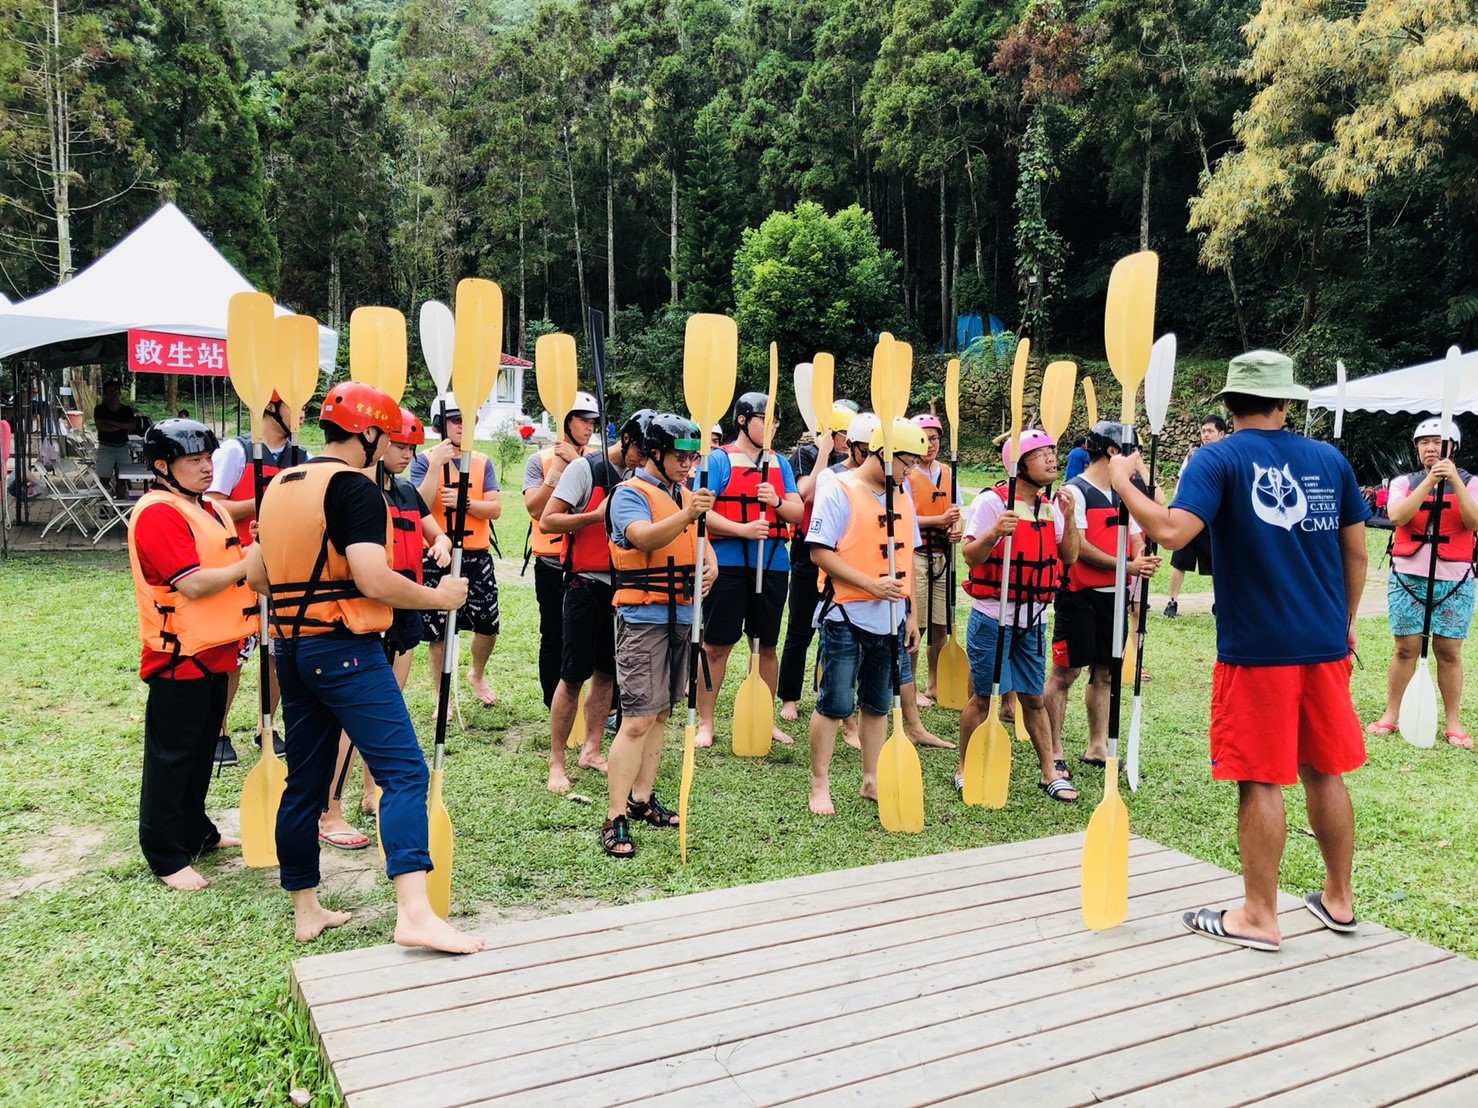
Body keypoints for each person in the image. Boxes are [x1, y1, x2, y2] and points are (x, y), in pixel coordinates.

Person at [1108, 349, 1369, 951]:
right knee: (1322, 770)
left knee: (1259, 778)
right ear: (1285, 402)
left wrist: (1123, 482)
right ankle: (1339, 899)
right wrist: (1345, 620)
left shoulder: (1216, 457)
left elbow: (1172, 531)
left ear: (1228, 403)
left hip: (1258, 650)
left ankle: (1258, 914)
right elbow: (1355, 555)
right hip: (1324, 644)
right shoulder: (1330, 459)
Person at [245, 382, 481, 952]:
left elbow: (256, 577)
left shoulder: (280, 483)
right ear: (370, 433)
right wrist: (441, 598)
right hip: (344, 649)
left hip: (291, 650)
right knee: (404, 772)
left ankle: (307, 909)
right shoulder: (354, 488)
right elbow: (372, 579)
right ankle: (414, 914)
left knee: (304, 782)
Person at [125, 419, 253, 890]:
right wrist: (249, 563)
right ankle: (165, 854)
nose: (206, 468)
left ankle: (196, 831)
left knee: (202, 751)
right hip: (180, 656)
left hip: (216, 650)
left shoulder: (208, 508)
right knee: (172, 757)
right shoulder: (159, 512)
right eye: (194, 461)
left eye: (207, 459)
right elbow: (193, 583)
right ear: (162, 467)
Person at [319, 407, 452, 843]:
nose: (404, 453)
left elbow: (435, 530)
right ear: (376, 441)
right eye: (398, 444)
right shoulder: (357, 492)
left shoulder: (408, 492)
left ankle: (371, 789)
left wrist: (444, 544)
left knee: (388, 707)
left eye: (411, 446)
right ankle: (329, 810)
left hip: (403, 613)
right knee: (350, 719)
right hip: (365, 615)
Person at [600, 413, 716, 858]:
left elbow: (699, 543)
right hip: (643, 617)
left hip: (682, 615)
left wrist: (711, 567)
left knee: (663, 714)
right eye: (679, 457)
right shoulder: (629, 493)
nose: (688, 465)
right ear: (654, 453)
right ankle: (615, 816)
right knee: (637, 720)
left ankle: (642, 798)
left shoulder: (683, 494)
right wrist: (689, 512)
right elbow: (642, 539)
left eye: (693, 457)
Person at [805, 417, 925, 815]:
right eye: (907, 462)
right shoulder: (839, 488)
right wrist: (871, 586)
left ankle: (871, 777)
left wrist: (909, 614)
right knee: (834, 703)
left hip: (891, 618)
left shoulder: (902, 492)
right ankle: (819, 783)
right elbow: (820, 552)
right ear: (883, 454)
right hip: (845, 614)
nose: (911, 471)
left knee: (876, 704)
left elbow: (907, 558)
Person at [958, 428, 1080, 800]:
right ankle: (964, 767)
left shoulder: (1049, 506)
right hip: (993, 617)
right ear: (1019, 465)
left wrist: (1070, 517)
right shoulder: (991, 503)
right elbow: (970, 555)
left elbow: (1070, 555)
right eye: (1041, 453)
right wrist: (995, 531)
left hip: (1034, 618)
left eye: (1051, 452)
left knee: (1034, 698)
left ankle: (1049, 772)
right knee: (983, 698)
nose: (1051, 458)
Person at [540, 408, 653, 791]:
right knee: (572, 675)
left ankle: (591, 749)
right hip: (585, 584)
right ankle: (557, 761)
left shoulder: (646, 477)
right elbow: (548, 520)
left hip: (625, 587)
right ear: (626, 441)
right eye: (641, 450)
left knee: (608, 674)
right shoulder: (586, 470)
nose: (645, 458)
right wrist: (594, 516)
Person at [1044, 421, 1159, 768]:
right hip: (1079, 596)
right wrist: (1127, 565)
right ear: (1112, 451)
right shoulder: (1073, 491)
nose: (1136, 459)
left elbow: (1139, 532)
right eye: (1132, 452)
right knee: (1065, 674)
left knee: (1106, 672)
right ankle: (1054, 751)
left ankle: (1097, 747)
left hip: (1115, 597)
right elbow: (1078, 548)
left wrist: (1141, 556)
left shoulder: (1126, 492)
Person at [696, 392, 804, 748]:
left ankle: (764, 718)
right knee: (716, 646)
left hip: (772, 563)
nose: (772, 426)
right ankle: (706, 723)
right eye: (764, 418)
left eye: (775, 420)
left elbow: (797, 512)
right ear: (743, 420)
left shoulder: (780, 464)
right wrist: (741, 529)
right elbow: (700, 512)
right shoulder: (718, 460)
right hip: (728, 565)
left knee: (766, 646)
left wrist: (775, 501)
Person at [206, 391, 304, 766]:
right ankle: (218, 730)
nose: (303, 410)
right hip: (239, 563)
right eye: (298, 403)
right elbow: (211, 505)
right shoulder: (236, 451)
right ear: (273, 407)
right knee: (234, 653)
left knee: (277, 652)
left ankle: (267, 724)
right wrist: (263, 501)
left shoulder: (300, 456)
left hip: (282, 568)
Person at [1367, 418, 1478, 747]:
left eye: (1438, 442)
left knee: (1449, 651)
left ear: (1453, 448)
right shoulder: (1404, 482)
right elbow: (1398, 516)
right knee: (1405, 649)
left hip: (1455, 580)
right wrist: (1430, 481)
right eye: (1424, 442)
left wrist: (1454, 480)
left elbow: (1473, 522)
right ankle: (1391, 713)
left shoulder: (1471, 483)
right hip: (1407, 578)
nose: (1431, 448)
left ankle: (1453, 721)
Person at [414, 395, 502, 707]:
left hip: (477, 554)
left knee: (487, 625)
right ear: (441, 425)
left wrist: (466, 504)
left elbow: (495, 509)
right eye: (455, 420)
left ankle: (477, 673)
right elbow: (417, 506)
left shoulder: (482, 461)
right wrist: (436, 464)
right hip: (438, 554)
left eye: (467, 419)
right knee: (438, 632)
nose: (462, 426)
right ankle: (442, 697)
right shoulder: (424, 460)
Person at [522, 391, 601, 708]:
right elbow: (535, 509)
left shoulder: (598, 461)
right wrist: (559, 468)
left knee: (592, 638)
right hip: (552, 564)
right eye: (583, 420)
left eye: (593, 422)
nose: (589, 427)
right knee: (554, 634)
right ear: (566, 422)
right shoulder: (538, 460)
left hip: (587, 564)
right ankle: (551, 701)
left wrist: (579, 463)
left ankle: (593, 703)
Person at [778, 403, 854, 722]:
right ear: (830, 433)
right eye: (842, 436)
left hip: (840, 553)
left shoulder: (852, 461)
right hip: (808, 552)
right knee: (799, 629)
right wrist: (823, 450)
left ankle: (829, 693)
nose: (847, 442)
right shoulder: (806, 455)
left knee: (834, 629)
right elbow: (806, 493)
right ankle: (789, 698)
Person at [905, 413, 961, 706]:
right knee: (919, 623)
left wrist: (955, 528)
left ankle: (935, 683)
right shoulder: (906, 473)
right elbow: (904, 517)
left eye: (935, 438)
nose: (930, 445)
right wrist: (940, 519)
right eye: (924, 439)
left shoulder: (947, 472)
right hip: (916, 555)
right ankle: (910, 687)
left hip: (942, 554)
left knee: (941, 624)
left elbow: (956, 511)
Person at [1164, 414, 1228, 617]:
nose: (1205, 435)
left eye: (1210, 431)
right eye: (1203, 431)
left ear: (1222, 433)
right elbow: (1181, 481)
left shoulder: (1227, 456)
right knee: (1179, 561)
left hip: (1213, 519)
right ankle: (1172, 601)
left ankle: (1220, 603)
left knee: (1217, 562)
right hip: (1189, 515)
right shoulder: (1193, 455)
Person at [94, 379, 136, 498]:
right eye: (110, 391)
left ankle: (121, 506)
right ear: (105, 393)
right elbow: (101, 427)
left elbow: (131, 426)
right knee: (104, 480)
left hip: (122, 447)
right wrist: (122, 426)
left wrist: (112, 423)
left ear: (119, 393)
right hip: (106, 447)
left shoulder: (126, 410)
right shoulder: (100, 409)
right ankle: (104, 508)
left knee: (123, 479)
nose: (113, 394)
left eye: (116, 391)